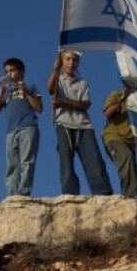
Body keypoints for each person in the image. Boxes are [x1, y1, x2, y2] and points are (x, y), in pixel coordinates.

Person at [46, 51, 113, 195]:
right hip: (64, 123)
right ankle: (70, 194)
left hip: (84, 125)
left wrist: (64, 103)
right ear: (61, 61)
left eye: (74, 60)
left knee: (94, 161)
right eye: (68, 59)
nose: (71, 62)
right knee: (66, 162)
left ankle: (103, 193)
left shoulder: (82, 83)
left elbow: (85, 104)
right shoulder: (58, 79)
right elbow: (50, 89)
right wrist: (55, 70)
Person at [0, 58, 42, 198]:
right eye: (7, 71)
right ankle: (13, 194)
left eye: (12, 70)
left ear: (22, 72)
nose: (9, 74)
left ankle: (24, 192)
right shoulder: (7, 93)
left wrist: (25, 92)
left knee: (27, 161)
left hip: (28, 127)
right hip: (11, 131)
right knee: (12, 164)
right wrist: (1, 90)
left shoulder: (31, 87)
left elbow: (39, 107)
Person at [102, 75, 137, 198]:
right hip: (114, 137)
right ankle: (130, 196)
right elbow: (107, 113)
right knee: (127, 158)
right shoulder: (116, 95)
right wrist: (122, 99)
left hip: (129, 141)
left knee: (131, 167)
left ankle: (133, 195)